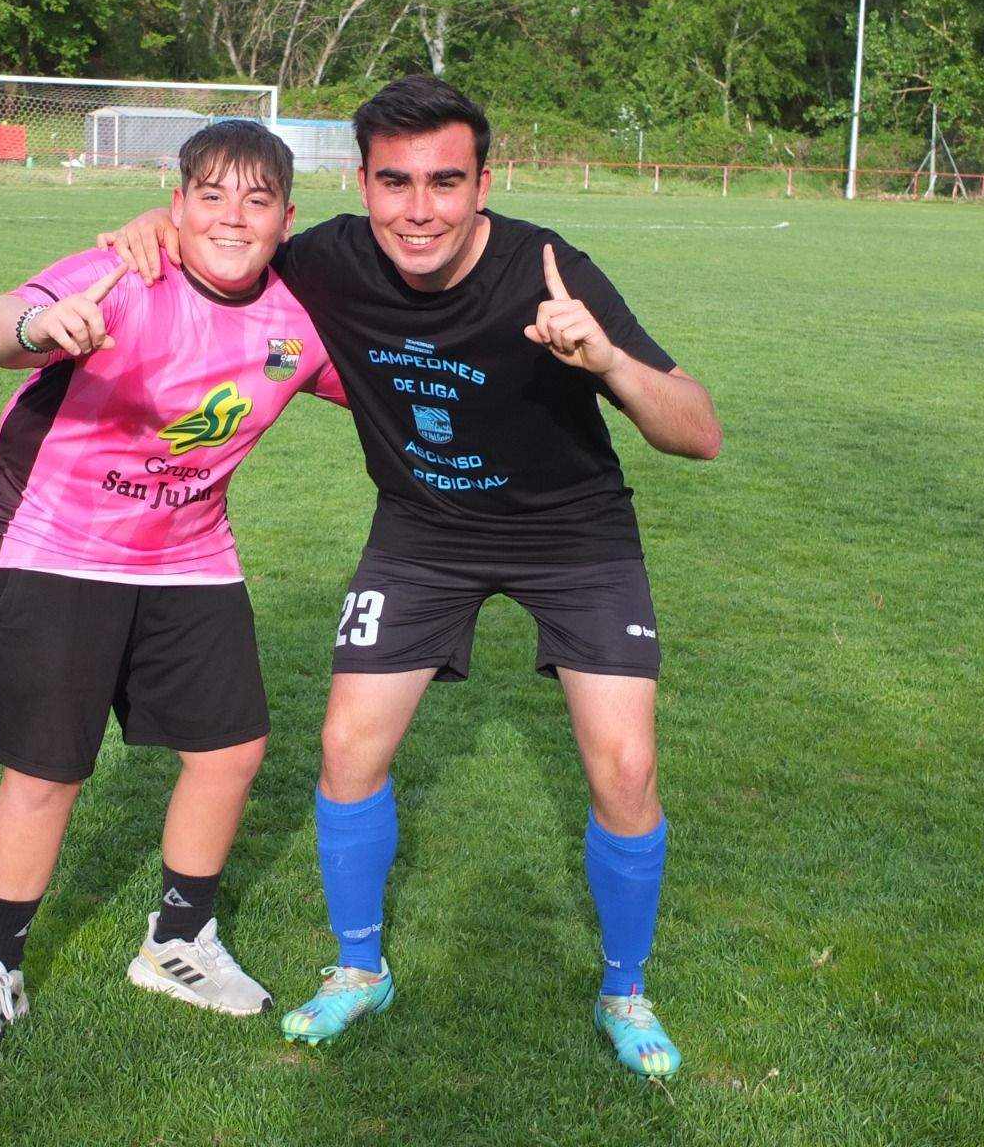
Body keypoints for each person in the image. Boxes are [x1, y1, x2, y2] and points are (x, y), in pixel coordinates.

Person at [103, 76, 722, 1079]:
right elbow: (224, 240)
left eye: (445, 181)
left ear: (484, 182)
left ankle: (624, 988)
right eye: (395, 182)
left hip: (572, 537)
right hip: (423, 533)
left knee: (626, 768)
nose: (419, 208)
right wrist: (152, 224)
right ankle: (357, 972)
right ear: (363, 182)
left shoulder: (547, 268)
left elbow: (698, 431)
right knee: (347, 744)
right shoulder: (331, 259)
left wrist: (604, 358)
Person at [0, 120, 347, 1067]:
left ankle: (177, 943)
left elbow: (373, 387)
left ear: (288, 215)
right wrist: (41, 328)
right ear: (176, 202)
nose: (232, 219)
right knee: (46, 771)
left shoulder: (299, 317)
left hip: (188, 550)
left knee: (231, 749)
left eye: (257, 199)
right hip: (51, 541)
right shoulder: (119, 273)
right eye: (212, 196)